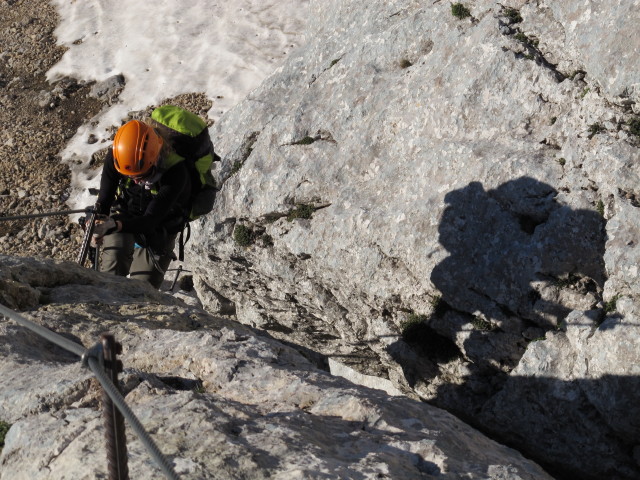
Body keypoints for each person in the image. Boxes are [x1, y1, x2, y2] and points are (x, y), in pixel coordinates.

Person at [91, 118, 192, 288]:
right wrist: (96, 225)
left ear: (154, 158)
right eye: (130, 176)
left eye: (141, 175)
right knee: (110, 279)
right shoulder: (119, 159)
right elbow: (104, 200)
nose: (135, 181)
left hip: (160, 228)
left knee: (142, 290)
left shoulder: (175, 172)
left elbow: (151, 220)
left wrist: (113, 226)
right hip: (125, 216)